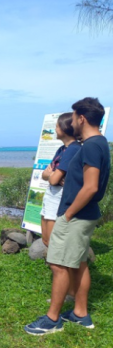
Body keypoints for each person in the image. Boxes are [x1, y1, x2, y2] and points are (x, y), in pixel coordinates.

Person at [25, 97, 110, 335]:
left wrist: (69, 214)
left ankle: (53, 320)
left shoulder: (91, 146)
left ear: (81, 118)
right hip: (85, 214)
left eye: (72, 116)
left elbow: (91, 187)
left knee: (58, 264)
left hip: (77, 214)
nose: (71, 120)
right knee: (79, 263)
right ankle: (80, 313)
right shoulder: (98, 143)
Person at [40, 113, 80, 303]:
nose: (55, 129)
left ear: (64, 129)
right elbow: (45, 175)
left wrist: (52, 175)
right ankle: (62, 287)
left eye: (56, 126)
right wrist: (51, 175)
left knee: (59, 249)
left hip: (60, 200)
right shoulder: (61, 149)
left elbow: (53, 177)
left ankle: (69, 292)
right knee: (47, 241)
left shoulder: (73, 149)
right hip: (51, 196)